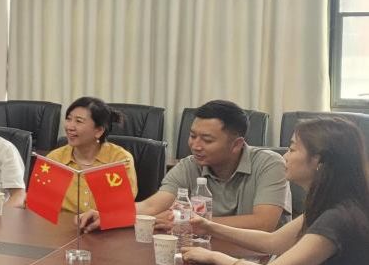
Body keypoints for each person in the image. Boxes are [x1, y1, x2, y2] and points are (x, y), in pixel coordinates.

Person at [181, 117, 369, 265]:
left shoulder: (337, 218)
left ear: (318, 160)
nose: (285, 156)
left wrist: (213, 256)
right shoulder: (339, 205)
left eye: (292, 149)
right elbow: (273, 242)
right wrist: (210, 227)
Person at [78, 99, 287, 233]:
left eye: (207, 139)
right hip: (208, 254)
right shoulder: (189, 165)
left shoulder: (269, 164)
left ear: (236, 144)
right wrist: (108, 214)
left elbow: (263, 223)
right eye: (192, 136)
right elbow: (151, 206)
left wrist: (190, 223)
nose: (195, 146)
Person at [45, 96, 137, 214]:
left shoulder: (119, 160)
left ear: (98, 131)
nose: (69, 127)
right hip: (61, 224)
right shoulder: (54, 159)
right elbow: (40, 206)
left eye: (78, 121)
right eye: (68, 119)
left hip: (103, 225)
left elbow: (120, 208)